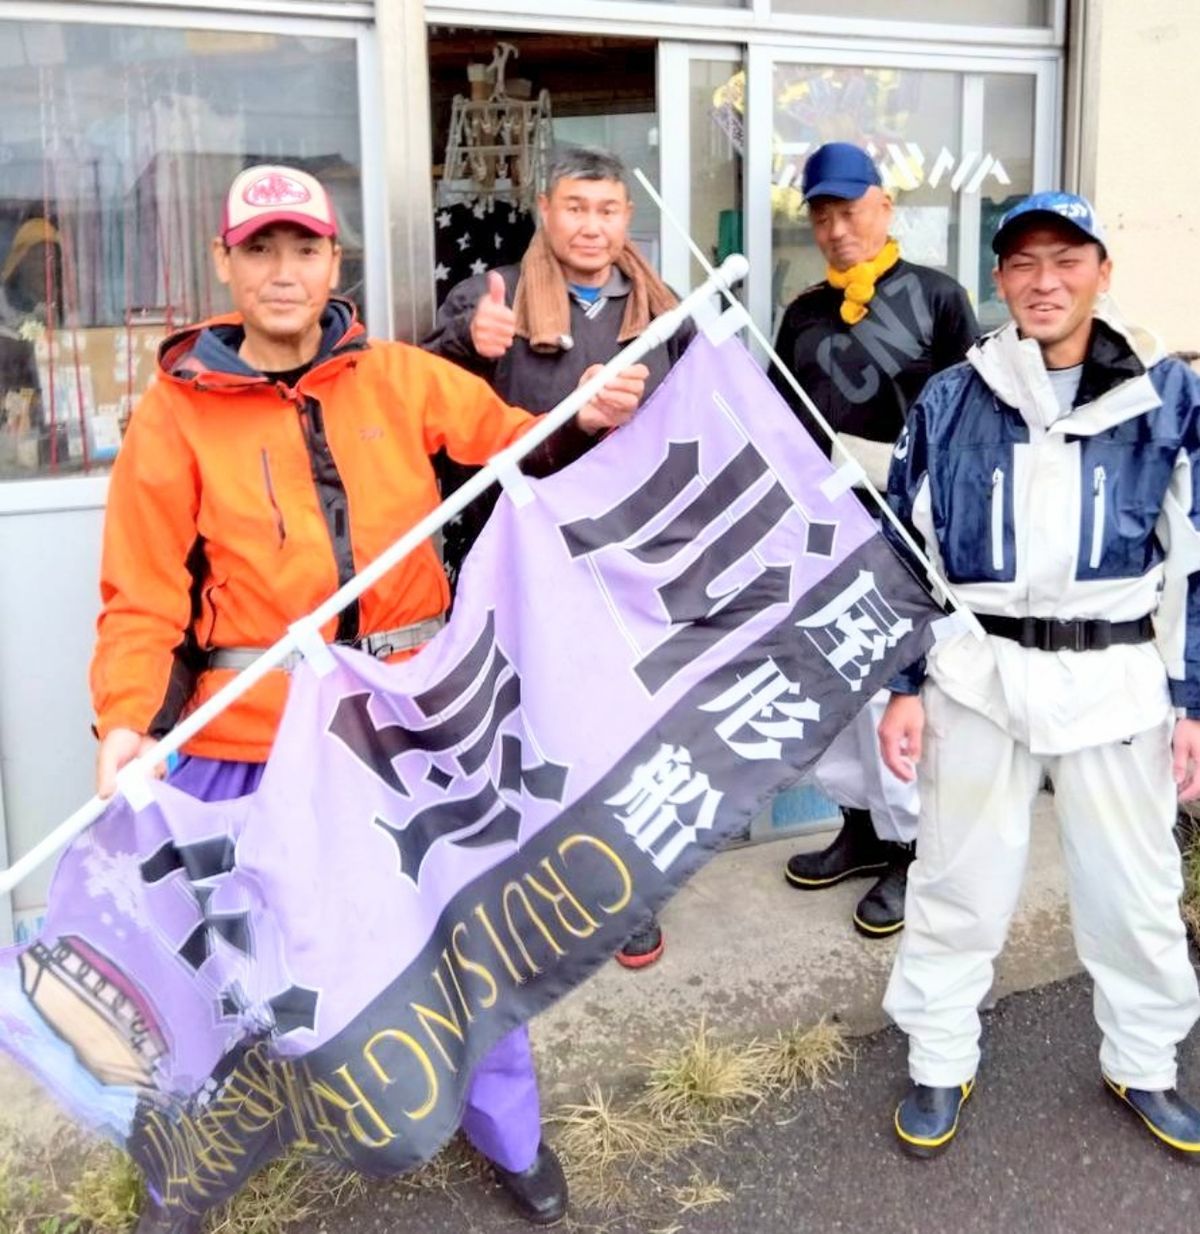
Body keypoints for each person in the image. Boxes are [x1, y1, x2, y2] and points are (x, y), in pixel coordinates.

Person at [90, 163, 646, 1232]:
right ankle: (199, 1166)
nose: (284, 271)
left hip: (404, 723)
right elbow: (142, 597)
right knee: (232, 965)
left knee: (462, 934)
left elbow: (519, 447)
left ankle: (511, 1135)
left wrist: (592, 417)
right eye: (261, 250)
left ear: (333, 261)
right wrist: (127, 720)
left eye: (304, 248)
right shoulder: (172, 419)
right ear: (226, 264)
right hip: (249, 739)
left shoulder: (398, 376)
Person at [879, 191, 1200, 1158]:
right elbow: (905, 553)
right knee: (957, 880)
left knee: (1134, 887)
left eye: (1066, 259)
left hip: (1115, 676)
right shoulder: (951, 396)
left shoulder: (1164, 393)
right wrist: (902, 687)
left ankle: (1142, 1059)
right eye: (1023, 263)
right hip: (981, 673)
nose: (1044, 281)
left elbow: (1197, 558)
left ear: (1103, 270)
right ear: (1000, 279)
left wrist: (1194, 702)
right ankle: (939, 1056)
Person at [423, 145, 687, 971]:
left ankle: (628, 894)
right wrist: (468, 342)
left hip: (622, 553)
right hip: (515, 550)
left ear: (626, 219)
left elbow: (695, 424)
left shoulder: (661, 308)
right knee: (522, 720)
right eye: (576, 207)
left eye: (607, 210)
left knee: (620, 722)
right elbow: (417, 402)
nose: (591, 226)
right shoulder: (490, 293)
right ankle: (534, 889)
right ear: (545, 209)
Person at [770, 142, 978, 937]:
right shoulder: (802, 314)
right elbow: (782, 427)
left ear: (885, 208)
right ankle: (859, 825)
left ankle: (913, 846)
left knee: (907, 690)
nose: (835, 228)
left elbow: (973, 415)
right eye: (821, 215)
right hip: (830, 533)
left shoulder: (937, 298)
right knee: (844, 690)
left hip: (915, 531)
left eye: (848, 210)